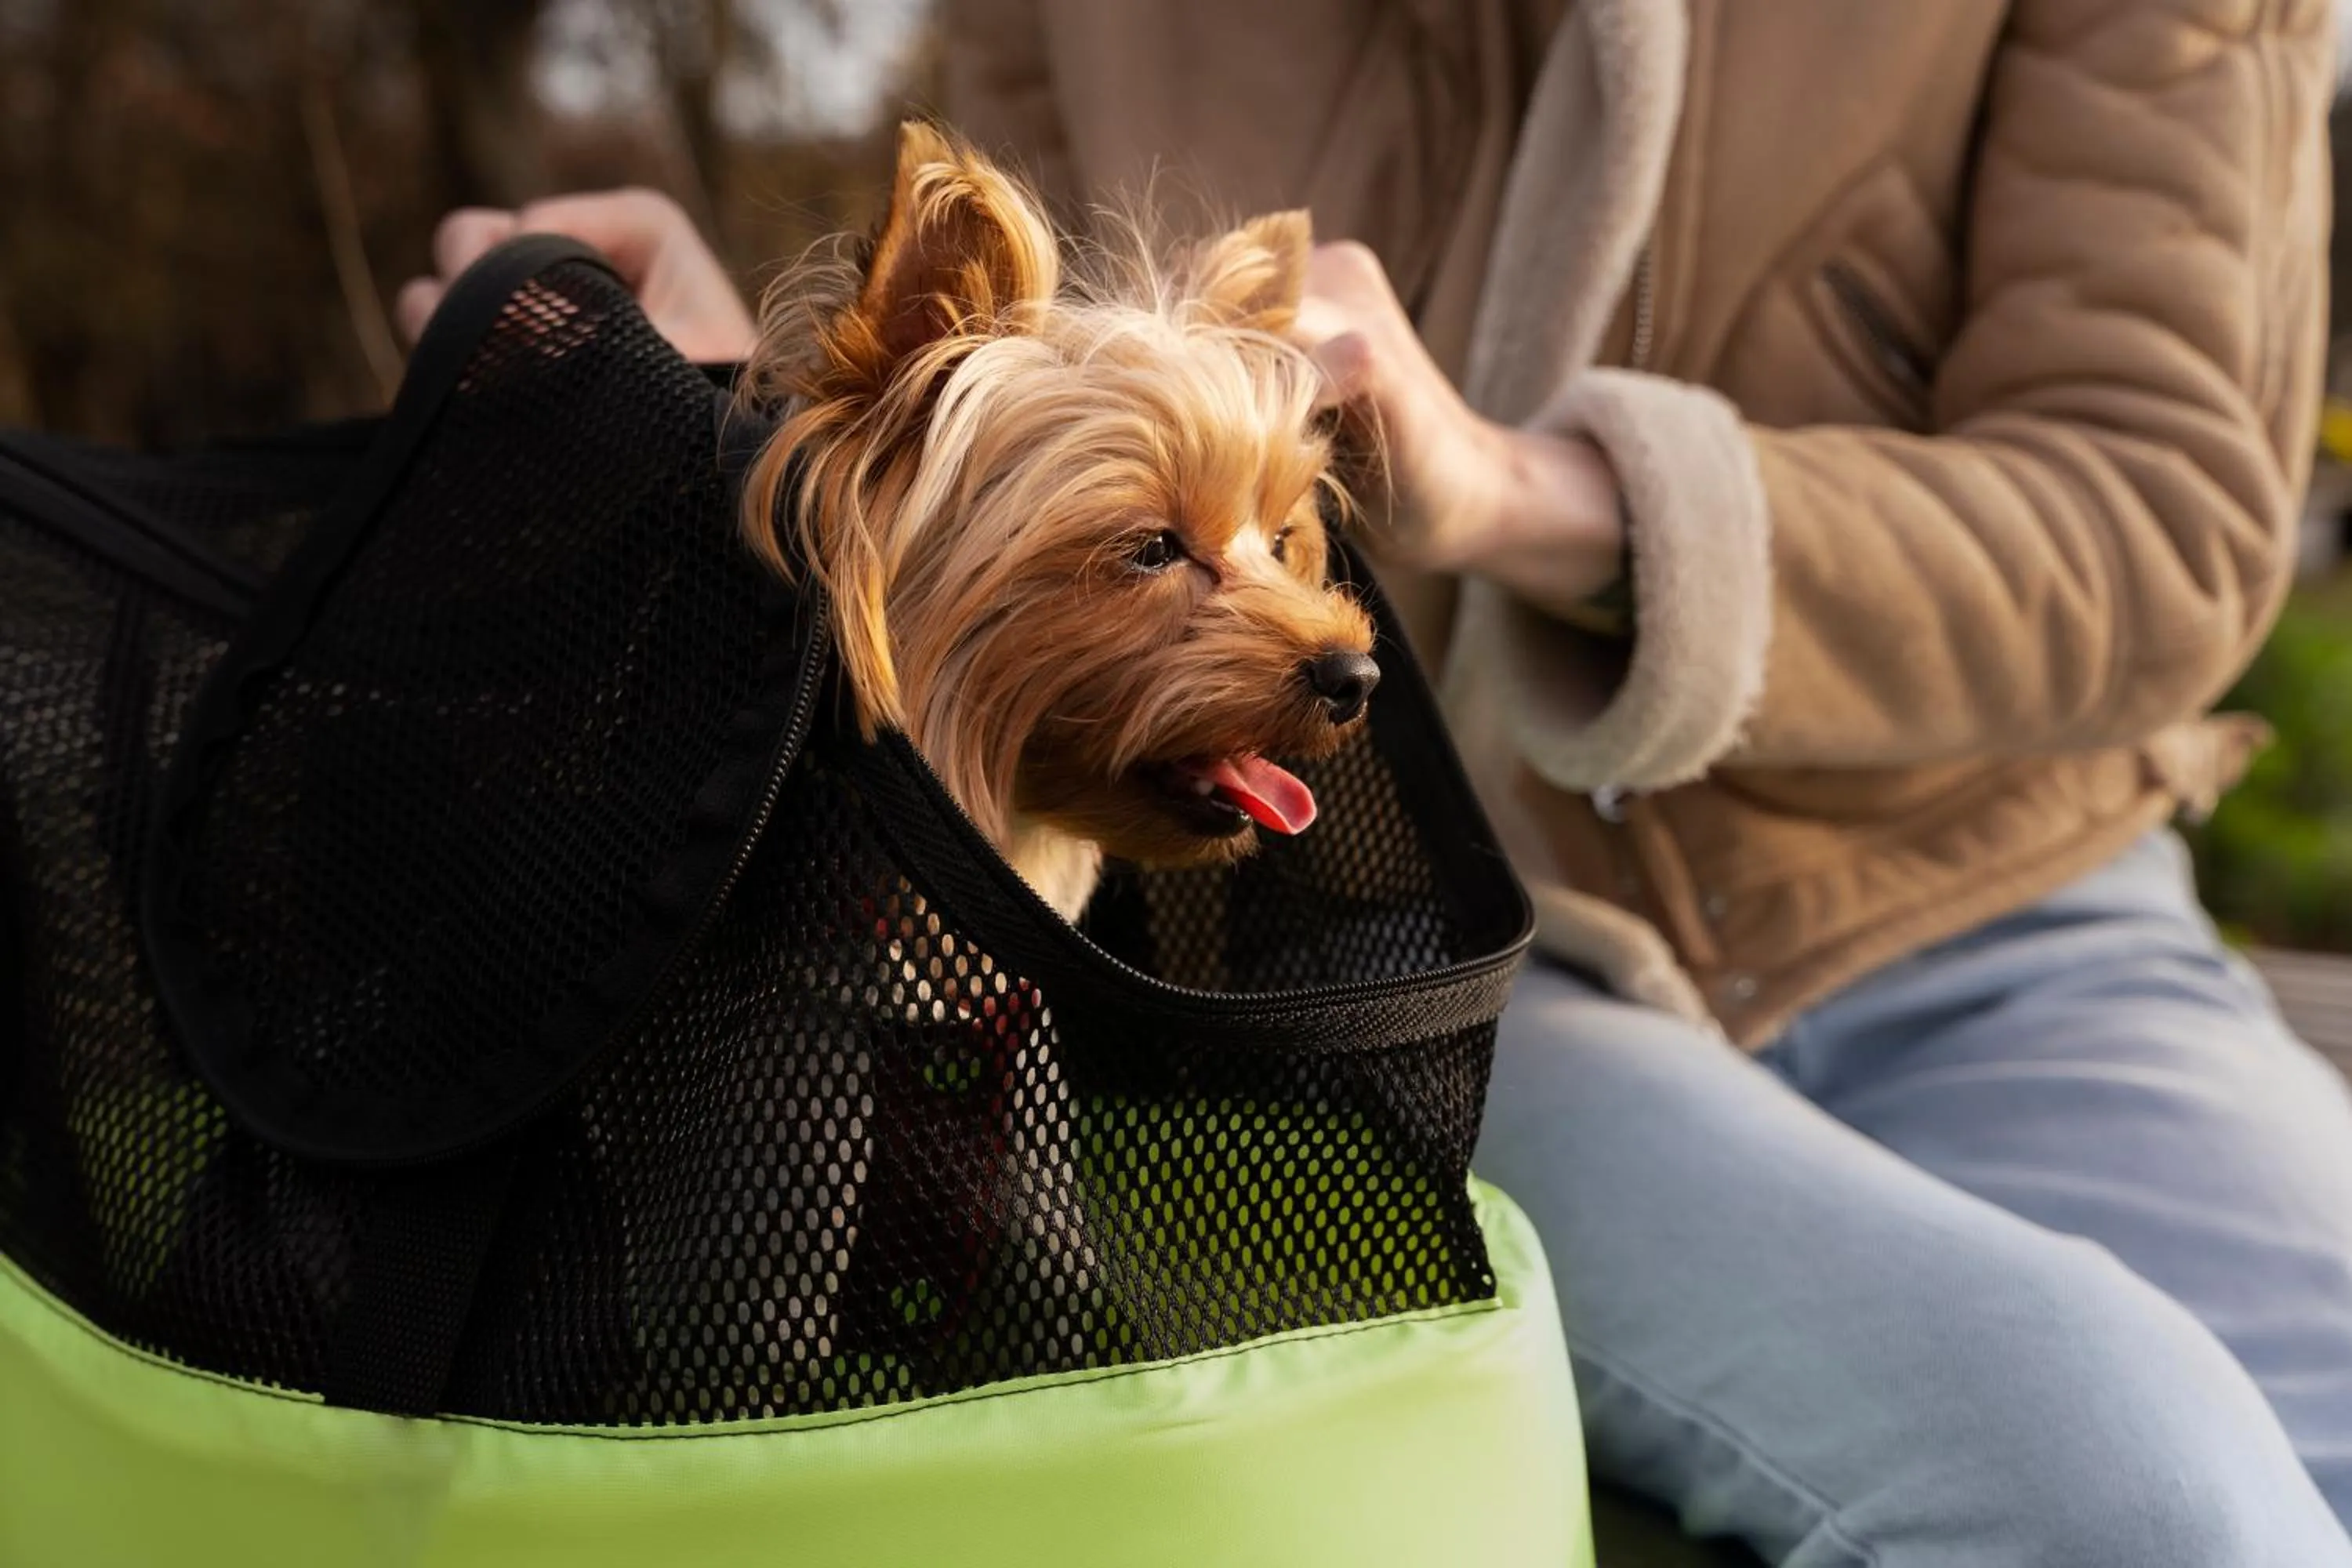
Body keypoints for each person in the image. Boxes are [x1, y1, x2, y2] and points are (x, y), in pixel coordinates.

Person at [398, 3, 2352, 1561]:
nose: (1315, 624)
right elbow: (1010, 427)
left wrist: (1522, 490)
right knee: (2136, 1484)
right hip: (1438, 940)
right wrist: (732, 404)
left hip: (2009, 912)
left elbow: (2169, 509)